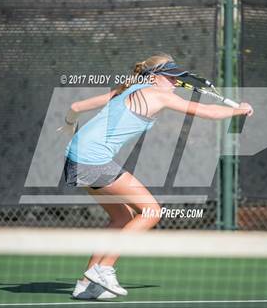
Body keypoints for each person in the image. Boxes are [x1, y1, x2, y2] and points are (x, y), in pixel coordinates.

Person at [57, 53, 253, 300]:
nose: (175, 83)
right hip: (93, 161)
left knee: (121, 217)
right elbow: (208, 112)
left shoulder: (128, 88)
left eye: (177, 78)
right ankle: (104, 269)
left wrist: (68, 124)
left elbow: (75, 107)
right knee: (151, 211)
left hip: (76, 156)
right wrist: (239, 110)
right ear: (156, 77)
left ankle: (86, 283)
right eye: (171, 77)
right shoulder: (158, 95)